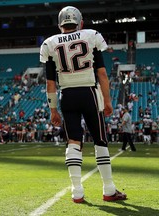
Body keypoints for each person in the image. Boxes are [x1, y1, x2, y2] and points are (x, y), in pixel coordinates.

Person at [40, 6, 127, 203]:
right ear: (80, 23)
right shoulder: (91, 35)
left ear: (60, 24)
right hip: (89, 92)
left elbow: (50, 83)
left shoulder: (49, 43)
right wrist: (107, 100)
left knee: (73, 142)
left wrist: (53, 110)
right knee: (100, 140)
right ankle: (108, 189)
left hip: (67, 95)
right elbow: (102, 74)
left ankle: (77, 191)